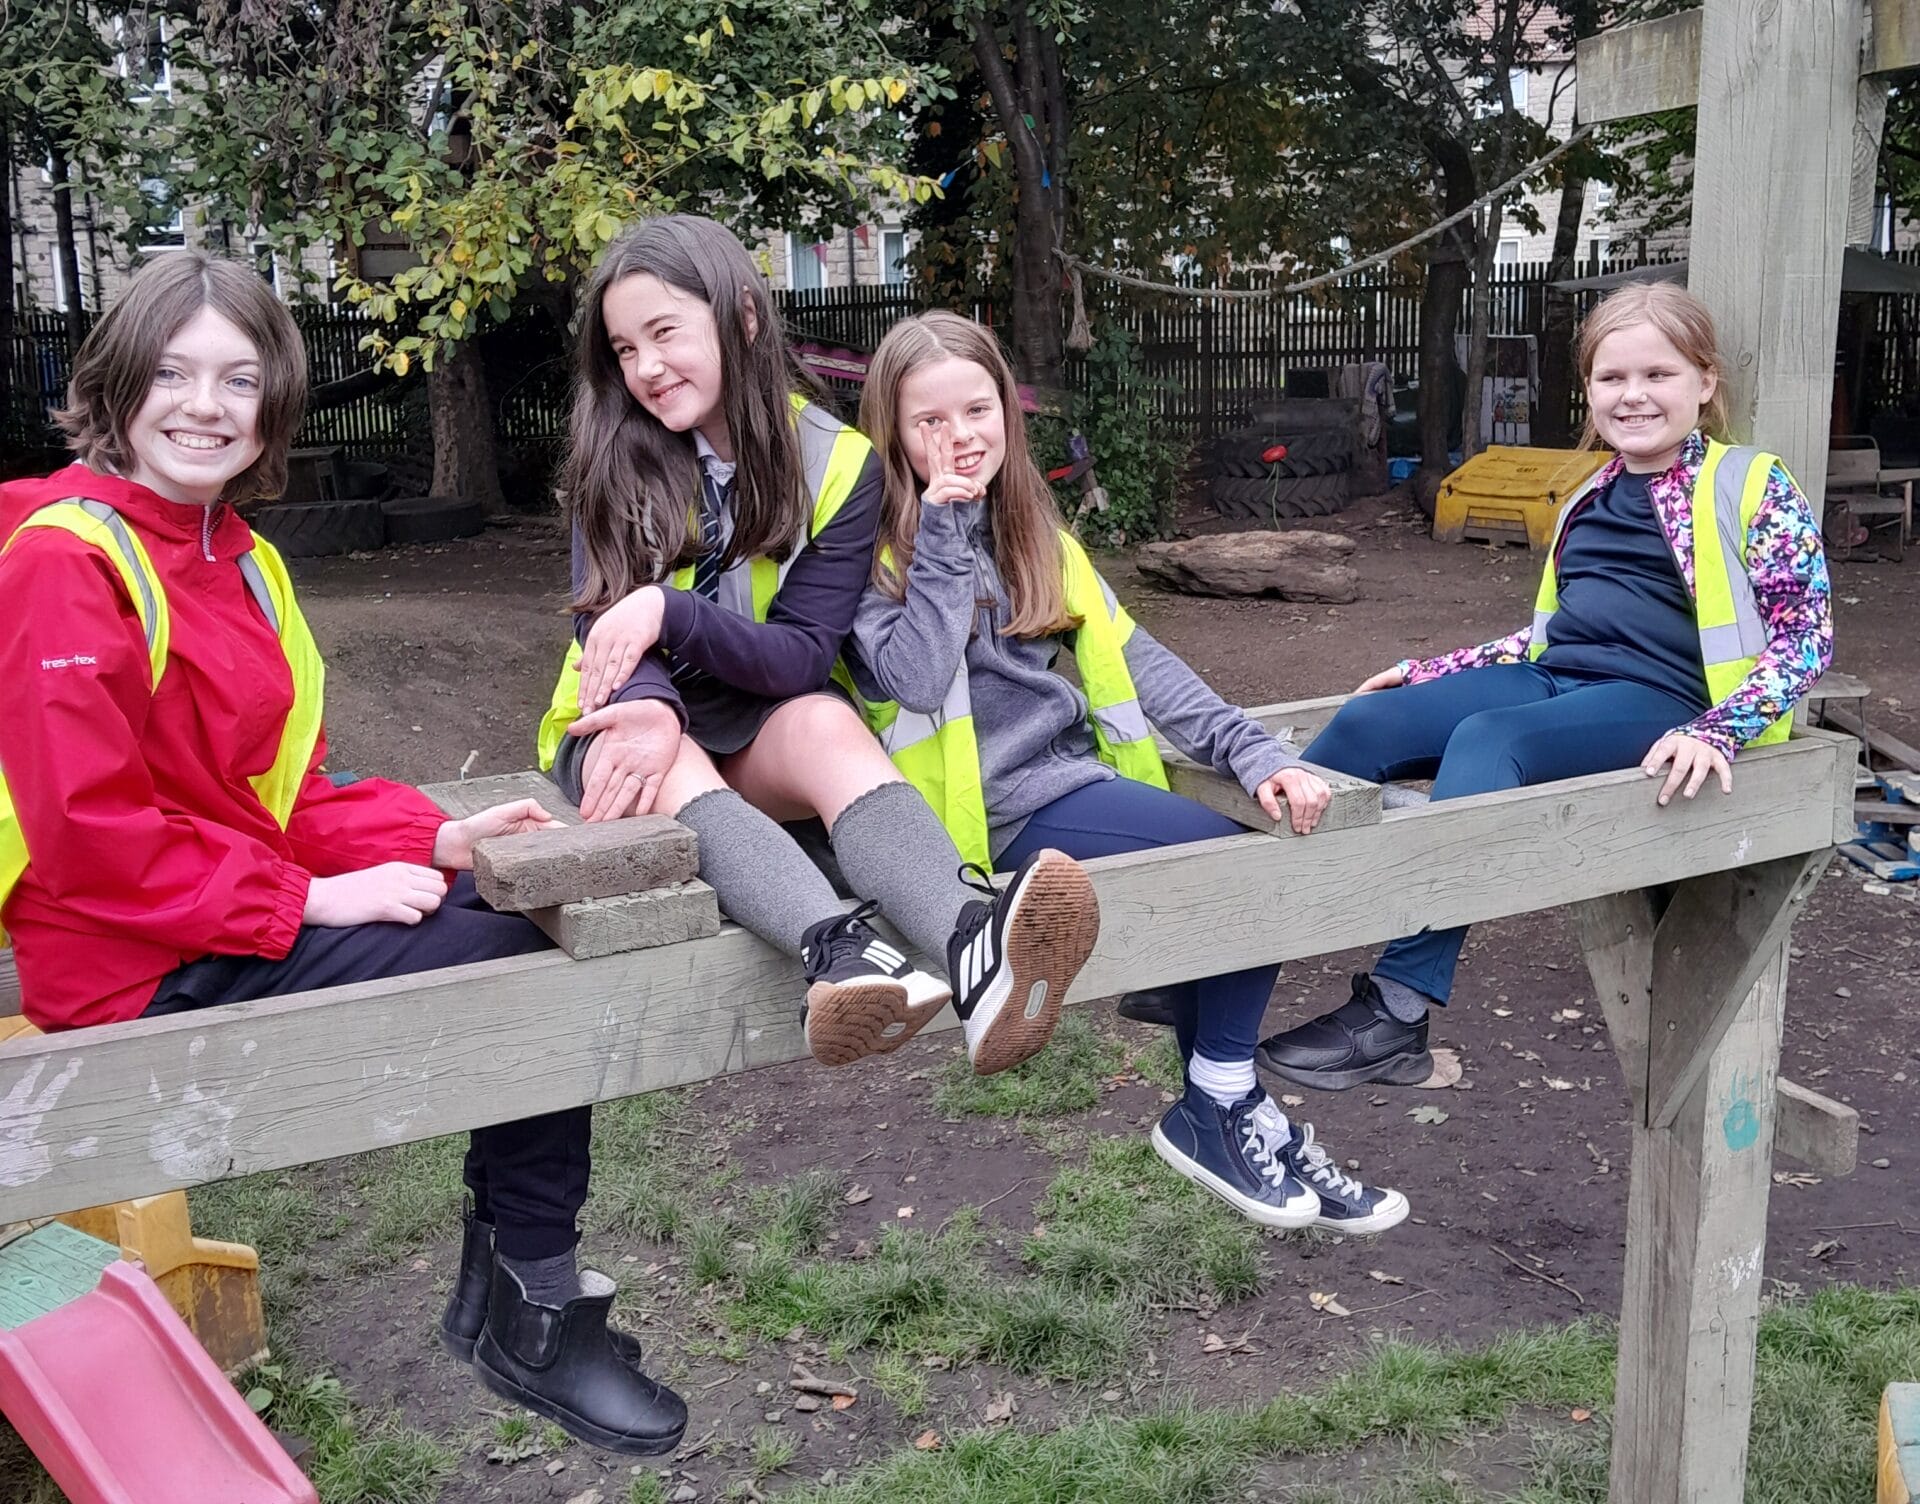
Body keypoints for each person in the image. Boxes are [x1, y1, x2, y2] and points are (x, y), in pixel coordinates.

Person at [0, 251, 686, 1456]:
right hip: (128, 957)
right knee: (529, 970)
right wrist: (312, 899)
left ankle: (523, 1299)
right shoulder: (66, 561)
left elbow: (277, 792)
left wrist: (432, 834)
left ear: (271, 404)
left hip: (212, 908)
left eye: (237, 378)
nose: (204, 405)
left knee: (534, 928)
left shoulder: (241, 559)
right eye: (171, 373)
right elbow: (92, 841)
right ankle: (529, 1308)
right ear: (113, 384)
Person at [845, 311, 1409, 1235]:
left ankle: (1234, 1109)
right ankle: (1220, 1106)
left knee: (1252, 851)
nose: (959, 438)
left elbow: (1141, 664)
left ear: (1007, 414)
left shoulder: (1031, 530)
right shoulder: (874, 551)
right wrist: (941, 533)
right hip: (972, 821)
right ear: (893, 433)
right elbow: (911, 676)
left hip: (1062, 784)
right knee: (1241, 873)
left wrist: (1252, 750)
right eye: (929, 422)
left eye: (976, 410)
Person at [536, 216, 1100, 1078]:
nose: (645, 368)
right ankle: (838, 955)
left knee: (827, 722)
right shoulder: (611, 455)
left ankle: (974, 947)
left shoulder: (840, 462)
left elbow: (800, 654)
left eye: (664, 334)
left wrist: (671, 610)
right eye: (623, 349)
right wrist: (648, 698)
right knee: (670, 752)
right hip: (620, 718)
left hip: (757, 708)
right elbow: (603, 625)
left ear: (744, 320)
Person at [1258, 280, 1834, 1091]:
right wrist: (1433, 669)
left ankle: (1396, 1011)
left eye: (1658, 375)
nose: (1633, 395)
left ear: (1704, 382)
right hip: (1561, 676)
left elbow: (1806, 636)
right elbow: (1545, 634)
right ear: (1590, 390)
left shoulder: (1749, 485)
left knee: (1490, 742)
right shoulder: (1586, 496)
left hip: (1667, 703)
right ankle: (1240, 949)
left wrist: (1718, 728)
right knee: (1368, 722)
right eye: (1611, 379)